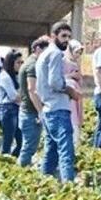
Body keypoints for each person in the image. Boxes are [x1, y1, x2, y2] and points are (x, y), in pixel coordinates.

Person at [36, 22, 80, 182]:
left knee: (51, 150)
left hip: (48, 108)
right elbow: (54, 82)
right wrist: (71, 90)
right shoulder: (55, 54)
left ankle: (44, 183)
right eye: (63, 36)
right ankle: (69, 186)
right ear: (54, 36)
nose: (66, 40)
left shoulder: (44, 55)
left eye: (69, 37)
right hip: (58, 108)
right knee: (66, 149)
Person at [17, 36, 49, 167]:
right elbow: (32, 89)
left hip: (28, 111)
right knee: (29, 146)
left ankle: (23, 169)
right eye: (45, 51)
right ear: (37, 49)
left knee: (29, 145)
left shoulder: (30, 63)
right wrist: (40, 111)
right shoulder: (33, 65)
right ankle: (22, 172)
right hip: (31, 112)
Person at [0, 50, 23, 157]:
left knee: (21, 141)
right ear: (11, 63)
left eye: (22, 62)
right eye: (18, 62)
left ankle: (13, 161)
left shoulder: (15, 76)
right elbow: (14, 97)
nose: (20, 65)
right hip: (8, 109)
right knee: (8, 140)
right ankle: (4, 162)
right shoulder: (5, 76)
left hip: (16, 108)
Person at [65, 40, 85, 146]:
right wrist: (71, 76)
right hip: (69, 95)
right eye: (76, 52)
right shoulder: (64, 62)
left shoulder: (75, 63)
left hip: (76, 93)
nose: (78, 55)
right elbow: (59, 79)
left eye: (79, 52)